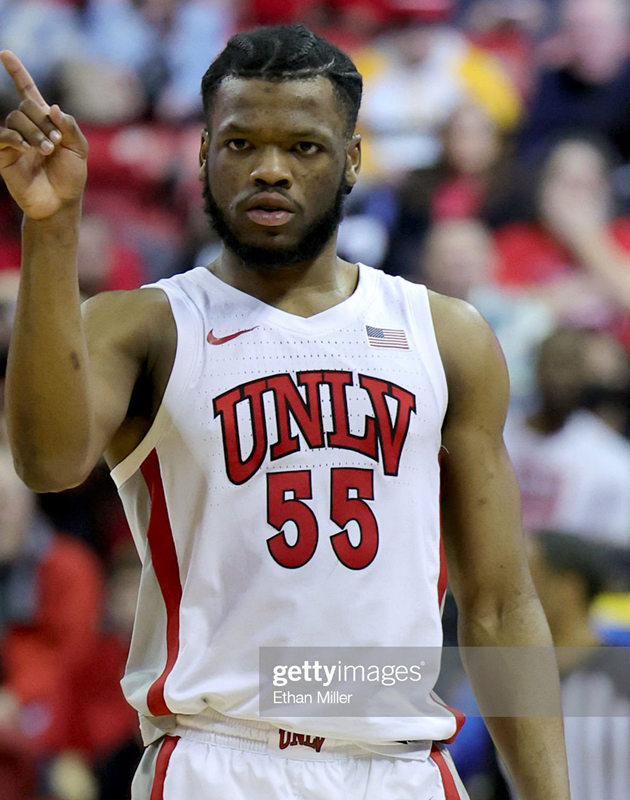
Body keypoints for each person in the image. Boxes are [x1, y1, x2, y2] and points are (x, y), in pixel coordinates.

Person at [0, 24, 569, 800]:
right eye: (240, 145)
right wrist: (52, 228)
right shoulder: (144, 325)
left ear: (352, 159)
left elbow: (501, 603)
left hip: (401, 763)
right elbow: (46, 462)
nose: (270, 169)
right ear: (201, 153)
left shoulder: (445, 334)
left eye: (302, 147)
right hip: (218, 756)